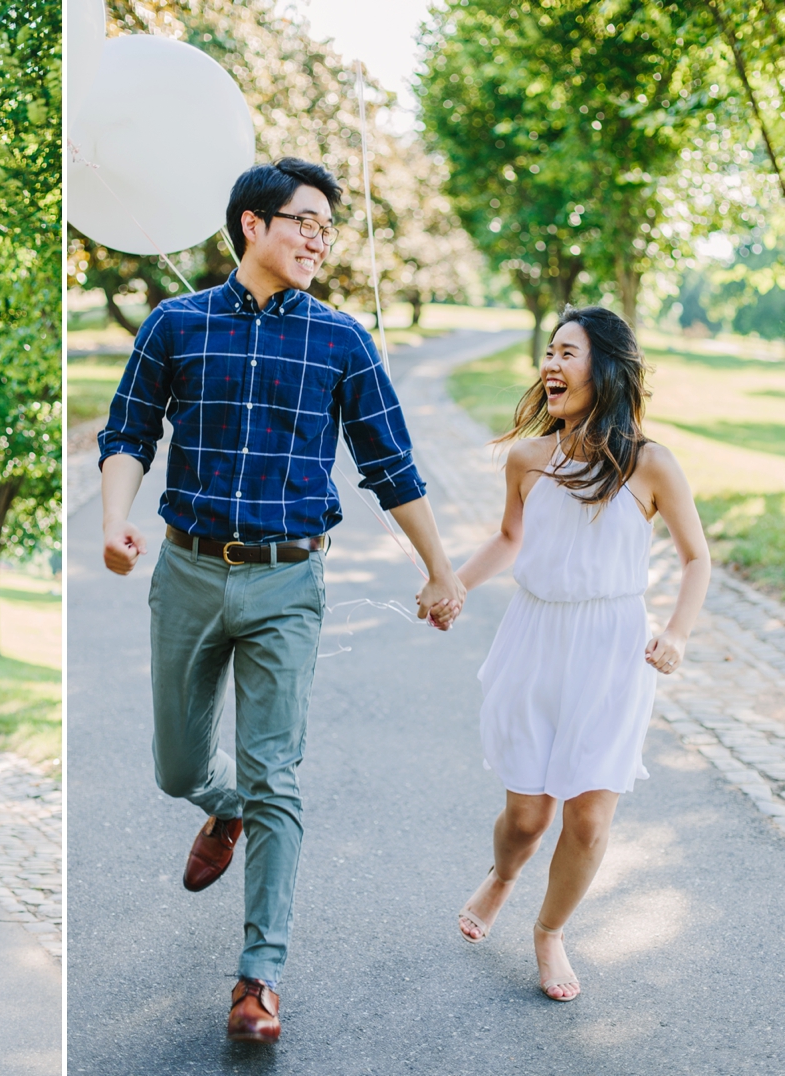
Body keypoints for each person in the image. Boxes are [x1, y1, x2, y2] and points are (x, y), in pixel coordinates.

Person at [97, 157, 465, 1043]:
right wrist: (115, 522)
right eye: (304, 222)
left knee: (278, 775)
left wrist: (441, 569)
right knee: (179, 770)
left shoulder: (342, 340)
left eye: (327, 230)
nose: (318, 240)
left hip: (290, 581)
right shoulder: (175, 325)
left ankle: (259, 977)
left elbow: (392, 466)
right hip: (186, 571)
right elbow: (127, 431)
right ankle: (222, 806)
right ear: (252, 224)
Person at [450, 306, 710, 1001]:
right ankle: (503, 876)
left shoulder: (650, 465)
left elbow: (695, 559)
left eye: (568, 352)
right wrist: (455, 582)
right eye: (549, 353)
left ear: (607, 368)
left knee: (589, 817)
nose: (551, 365)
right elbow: (509, 540)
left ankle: (549, 931)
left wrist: (678, 632)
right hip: (536, 639)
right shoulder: (528, 457)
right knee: (529, 816)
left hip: (612, 646)